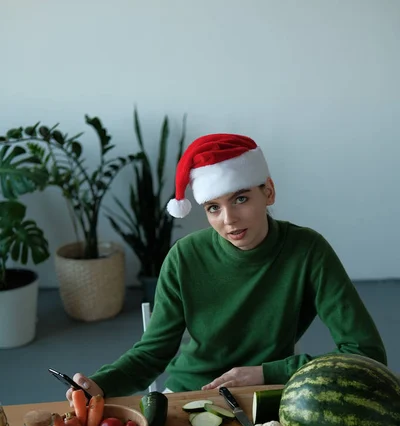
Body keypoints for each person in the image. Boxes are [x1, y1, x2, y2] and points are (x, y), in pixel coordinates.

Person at [66, 133, 386, 403]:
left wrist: (266, 373)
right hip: (191, 389)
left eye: (241, 199)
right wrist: (101, 385)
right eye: (213, 208)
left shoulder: (308, 251)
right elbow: (152, 354)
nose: (229, 220)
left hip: (269, 392)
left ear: (268, 192)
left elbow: (366, 354)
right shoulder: (184, 257)